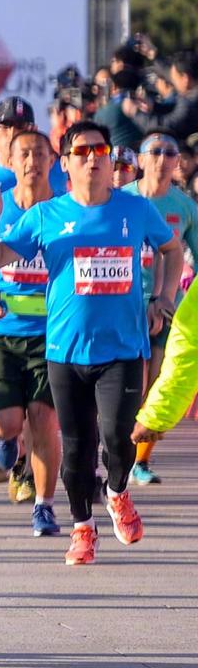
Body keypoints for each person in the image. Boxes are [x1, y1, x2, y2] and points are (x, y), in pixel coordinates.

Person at [0, 120, 180, 563]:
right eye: (82, 151)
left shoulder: (136, 210)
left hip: (123, 350)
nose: (92, 158)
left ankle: (118, 491)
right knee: (76, 448)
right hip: (65, 352)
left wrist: (162, 299)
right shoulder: (45, 216)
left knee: (119, 437)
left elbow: (172, 249)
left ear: (110, 160)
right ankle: (83, 528)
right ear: (65, 164)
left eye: (100, 150)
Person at [0, 128, 62, 534]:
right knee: (5, 422)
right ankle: (6, 442)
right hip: (3, 331)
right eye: (24, 154)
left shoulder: (64, 210)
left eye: (40, 153)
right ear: (11, 161)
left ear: (53, 160)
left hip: (52, 336)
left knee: (43, 418)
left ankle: (44, 505)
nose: (32, 161)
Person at [131, 132, 198, 484]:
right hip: (123, 306)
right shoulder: (119, 199)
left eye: (170, 152)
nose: (162, 158)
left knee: (157, 381)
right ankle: (114, 452)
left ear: (178, 162)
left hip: (167, 306)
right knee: (126, 383)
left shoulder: (185, 207)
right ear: (140, 159)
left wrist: (167, 297)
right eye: (154, 151)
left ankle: (140, 461)